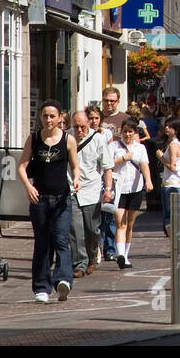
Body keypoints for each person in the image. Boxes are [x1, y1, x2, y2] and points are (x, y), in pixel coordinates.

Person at [17, 101, 79, 303]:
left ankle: (63, 280)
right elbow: (22, 167)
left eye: (52, 116)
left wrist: (76, 179)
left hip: (61, 198)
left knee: (61, 239)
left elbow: (75, 166)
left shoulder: (68, 140)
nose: (48, 120)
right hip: (40, 199)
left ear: (60, 117)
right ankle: (42, 287)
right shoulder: (34, 139)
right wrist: (28, 187)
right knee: (42, 244)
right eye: (45, 116)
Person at [70, 108, 115, 277]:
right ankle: (79, 264)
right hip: (72, 190)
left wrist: (108, 189)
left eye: (82, 126)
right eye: (76, 127)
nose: (79, 130)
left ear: (88, 123)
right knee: (75, 228)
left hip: (91, 189)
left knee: (92, 229)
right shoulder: (67, 137)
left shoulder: (98, 140)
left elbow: (107, 166)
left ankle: (92, 257)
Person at [109, 118, 152, 268]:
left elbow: (144, 165)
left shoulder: (140, 148)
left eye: (130, 131)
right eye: (125, 131)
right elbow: (107, 164)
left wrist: (148, 181)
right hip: (119, 188)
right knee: (121, 222)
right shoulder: (114, 146)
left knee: (130, 224)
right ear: (121, 131)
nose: (127, 134)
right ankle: (120, 255)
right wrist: (122, 158)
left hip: (136, 188)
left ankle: (125, 255)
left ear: (135, 133)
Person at [157, 117, 180, 235]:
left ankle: (175, 244)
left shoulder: (173, 145)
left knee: (169, 216)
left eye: (170, 126)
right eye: (166, 125)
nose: (166, 128)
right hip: (178, 183)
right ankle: (177, 245)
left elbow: (172, 167)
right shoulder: (176, 144)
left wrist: (161, 157)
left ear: (176, 130)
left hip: (171, 183)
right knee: (178, 217)